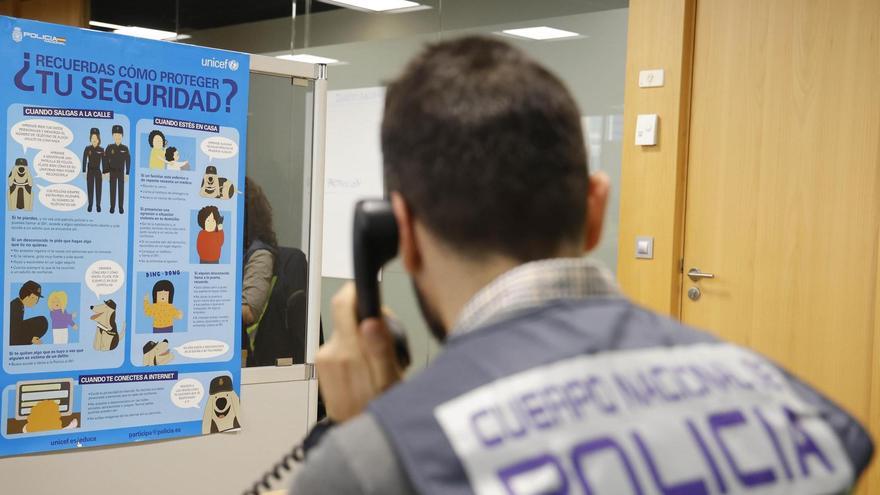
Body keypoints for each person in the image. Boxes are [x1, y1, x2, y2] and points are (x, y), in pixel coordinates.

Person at [291, 37, 874, 494]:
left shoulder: (383, 462)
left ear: (401, 232)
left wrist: (373, 438)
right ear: (596, 208)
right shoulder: (800, 410)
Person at [9, 280, 47, 346]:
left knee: (42, 321)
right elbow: (13, 332)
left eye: (36, 299)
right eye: (33, 298)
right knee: (42, 321)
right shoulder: (16, 306)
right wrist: (30, 339)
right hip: (12, 339)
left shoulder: (19, 304)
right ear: (25, 294)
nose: (34, 302)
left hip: (15, 335)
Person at [103, 124, 130, 214]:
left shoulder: (125, 148)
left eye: (119, 134)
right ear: (112, 136)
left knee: (121, 190)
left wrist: (127, 173)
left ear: (122, 135)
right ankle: (112, 207)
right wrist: (106, 172)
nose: (117, 136)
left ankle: (121, 207)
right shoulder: (109, 147)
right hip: (112, 172)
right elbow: (105, 159)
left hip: (121, 172)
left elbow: (128, 160)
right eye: (115, 134)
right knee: (112, 189)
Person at [82, 127, 103, 212]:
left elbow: (104, 162)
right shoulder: (87, 149)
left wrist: (106, 172)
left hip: (98, 171)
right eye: (92, 138)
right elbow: (84, 159)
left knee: (98, 189)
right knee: (90, 188)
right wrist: (84, 171)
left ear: (98, 139)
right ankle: (90, 205)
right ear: (90, 139)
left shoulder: (101, 150)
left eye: (96, 138)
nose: (94, 139)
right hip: (90, 171)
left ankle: (98, 205)